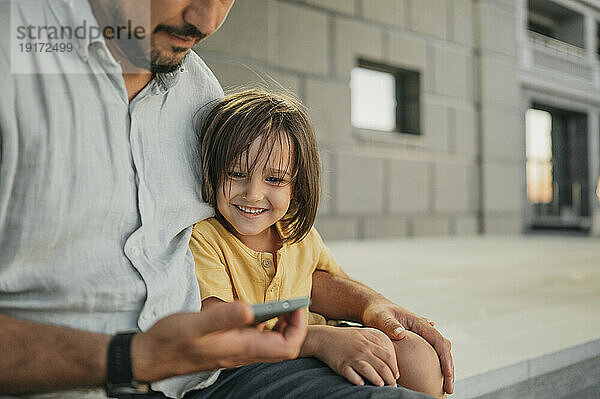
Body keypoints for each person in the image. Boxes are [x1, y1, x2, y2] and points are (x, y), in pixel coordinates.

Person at [0, 0, 453, 398]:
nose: (206, 18)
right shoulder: (16, 54)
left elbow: (310, 276)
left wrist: (372, 305)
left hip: (215, 377)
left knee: (410, 367)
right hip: (82, 381)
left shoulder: (199, 93)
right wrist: (133, 357)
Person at [190, 89, 446, 399]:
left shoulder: (297, 232)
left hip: (320, 340)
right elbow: (220, 334)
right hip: (263, 359)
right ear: (213, 171)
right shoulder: (204, 238)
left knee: (418, 356)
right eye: (236, 173)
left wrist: (374, 311)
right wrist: (317, 340)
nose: (253, 193)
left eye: (274, 179)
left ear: (296, 185)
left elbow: (325, 283)